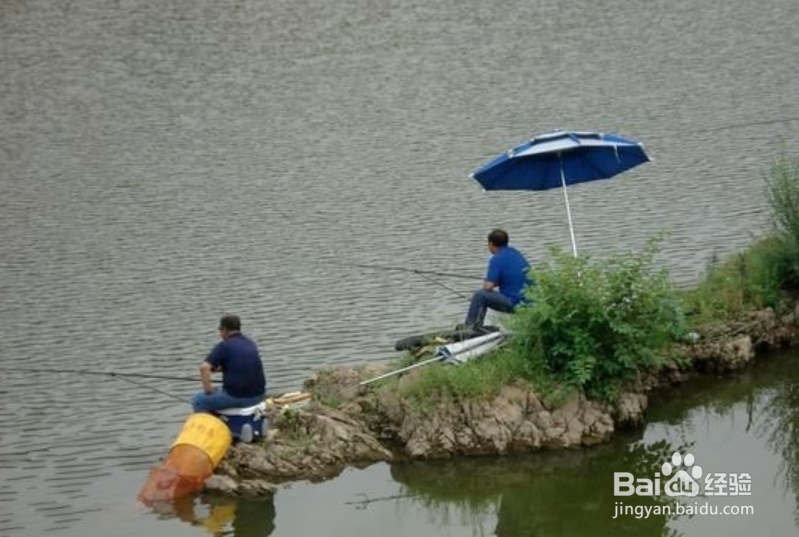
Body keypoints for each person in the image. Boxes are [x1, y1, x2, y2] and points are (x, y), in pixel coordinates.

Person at [191, 315, 266, 413]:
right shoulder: (250, 343)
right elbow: (242, 364)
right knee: (222, 391)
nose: (220, 334)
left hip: (240, 398)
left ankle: (210, 426)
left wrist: (208, 389)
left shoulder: (224, 346)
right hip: (259, 396)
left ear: (224, 330)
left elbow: (204, 368)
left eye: (220, 330)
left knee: (198, 400)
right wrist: (219, 369)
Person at [462, 229, 531, 329]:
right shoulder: (516, 253)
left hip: (515, 303)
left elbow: (487, 287)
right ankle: (475, 327)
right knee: (482, 295)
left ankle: (470, 329)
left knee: (480, 295)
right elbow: (513, 275)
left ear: (491, 244)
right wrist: (497, 282)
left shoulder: (496, 259)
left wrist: (489, 282)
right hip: (530, 302)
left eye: (488, 244)